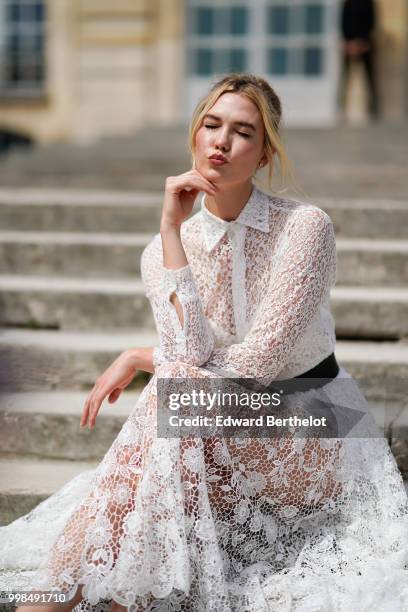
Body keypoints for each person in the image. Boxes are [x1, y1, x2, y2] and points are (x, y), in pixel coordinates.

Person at [1, 73, 408, 611]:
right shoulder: (164, 249)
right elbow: (190, 355)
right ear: (194, 136)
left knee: (170, 402)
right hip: (206, 420)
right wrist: (171, 231)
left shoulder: (305, 228)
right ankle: (113, 600)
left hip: (315, 426)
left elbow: (261, 363)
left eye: (242, 132)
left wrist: (140, 356)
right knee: (175, 407)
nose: (221, 141)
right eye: (211, 126)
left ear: (264, 154)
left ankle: (54, 603)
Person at [339, 0, 380, 119]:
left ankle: (374, 108)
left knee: (370, 77)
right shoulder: (347, 3)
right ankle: (341, 106)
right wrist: (349, 42)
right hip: (350, 44)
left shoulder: (369, 3)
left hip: (365, 45)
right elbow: (344, 22)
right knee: (345, 77)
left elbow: (371, 23)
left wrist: (362, 41)